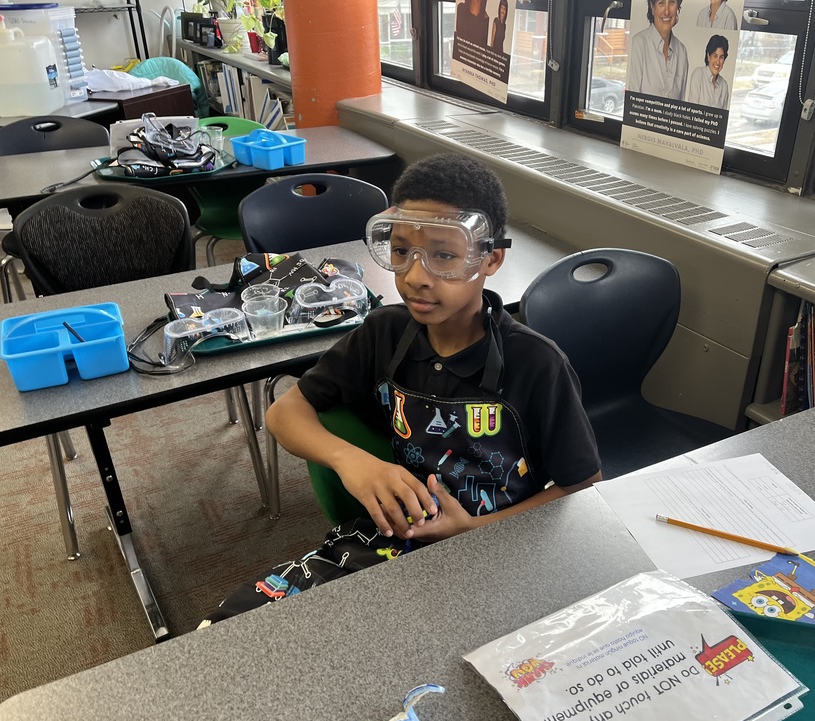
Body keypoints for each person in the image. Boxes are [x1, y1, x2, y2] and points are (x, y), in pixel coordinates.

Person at [200, 153, 602, 625]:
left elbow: (582, 486)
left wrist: (473, 529)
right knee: (233, 627)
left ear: (489, 259)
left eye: (444, 255)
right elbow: (283, 414)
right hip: (390, 541)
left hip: (502, 550)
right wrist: (353, 462)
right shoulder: (385, 333)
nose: (414, 275)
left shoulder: (536, 363)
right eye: (401, 250)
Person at [627, 0, 689, 100]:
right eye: (661, 3)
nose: (667, 12)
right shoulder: (638, 43)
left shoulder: (682, 51)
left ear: (677, 7)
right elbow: (632, 101)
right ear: (652, 7)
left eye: (672, 3)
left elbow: (680, 105)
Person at [687, 35, 730, 109]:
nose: (718, 62)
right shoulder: (698, 75)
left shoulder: (724, 85)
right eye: (715, 56)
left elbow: (722, 117)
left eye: (721, 57)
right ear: (708, 56)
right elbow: (692, 111)